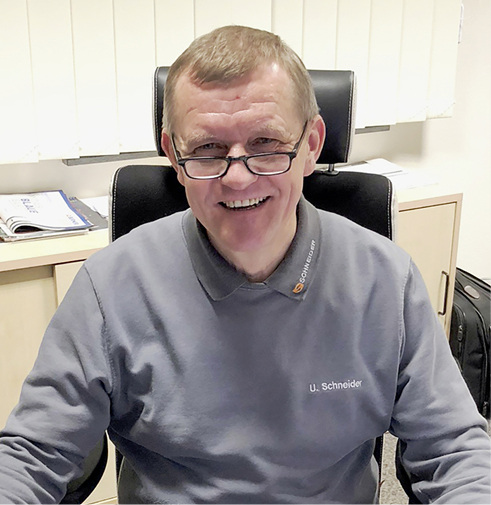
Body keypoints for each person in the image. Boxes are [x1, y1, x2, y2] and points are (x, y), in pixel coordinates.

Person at [0, 25, 490, 504]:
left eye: (266, 144)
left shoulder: (386, 280)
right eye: (208, 149)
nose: (238, 179)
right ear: (173, 154)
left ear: (311, 145)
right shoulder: (109, 287)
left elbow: (455, 448)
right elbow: (32, 455)